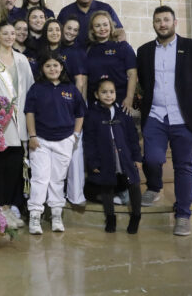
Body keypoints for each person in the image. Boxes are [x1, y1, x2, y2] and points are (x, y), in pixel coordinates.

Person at [136, 6, 192, 236]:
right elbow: (143, 79)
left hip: (183, 118)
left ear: (175, 22)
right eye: (158, 20)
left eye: (166, 20)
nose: (162, 24)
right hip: (156, 115)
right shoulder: (144, 51)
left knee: (184, 166)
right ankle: (154, 186)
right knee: (152, 158)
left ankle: (182, 215)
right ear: (153, 24)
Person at [0, 21, 34, 228]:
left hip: (19, 123)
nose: (10, 37)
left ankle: (10, 209)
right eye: (6, 33)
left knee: (14, 169)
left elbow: (30, 90)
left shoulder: (22, 60)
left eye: (13, 33)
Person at [24, 54, 86, 234]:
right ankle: (35, 215)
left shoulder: (71, 89)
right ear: (42, 69)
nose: (52, 69)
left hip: (64, 139)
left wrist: (74, 135)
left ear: (62, 68)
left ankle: (56, 215)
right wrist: (32, 135)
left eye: (56, 65)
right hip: (40, 140)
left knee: (57, 179)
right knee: (40, 178)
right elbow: (29, 113)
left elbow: (80, 114)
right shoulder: (37, 88)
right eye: (48, 66)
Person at [83, 78, 142, 234]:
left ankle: (136, 216)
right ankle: (110, 218)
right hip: (105, 155)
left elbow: (132, 137)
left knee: (134, 183)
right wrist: (93, 162)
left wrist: (137, 157)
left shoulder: (123, 112)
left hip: (125, 155)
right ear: (96, 95)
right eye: (104, 92)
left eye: (111, 92)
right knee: (107, 185)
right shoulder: (92, 115)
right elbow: (88, 141)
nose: (108, 95)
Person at [39, 18, 88, 205]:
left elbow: (80, 82)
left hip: (68, 106)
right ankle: (47, 197)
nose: (54, 33)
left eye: (57, 30)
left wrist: (77, 109)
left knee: (73, 152)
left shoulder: (71, 53)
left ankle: (75, 195)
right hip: (45, 108)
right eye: (50, 30)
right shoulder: (40, 53)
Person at [85, 11, 137, 110]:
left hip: (120, 100)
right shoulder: (89, 50)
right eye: (97, 26)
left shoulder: (122, 46)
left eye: (105, 24)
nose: (102, 28)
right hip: (94, 103)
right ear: (92, 30)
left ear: (111, 26)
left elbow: (132, 74)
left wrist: (129, 98)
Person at [58, 0, 124, 46]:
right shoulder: (65, 11)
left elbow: (119, 30)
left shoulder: (105, 8)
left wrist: (120, 46)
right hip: (74, 53)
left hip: (101, 52)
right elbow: (58, 34)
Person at [60, 17, 88, 98]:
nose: (71, 32)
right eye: (69, 28)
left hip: (69, 96)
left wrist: (79, 104)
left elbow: (82, 82)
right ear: (62, 27)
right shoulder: (56, 46)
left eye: (75, 30)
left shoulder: (79, 52)